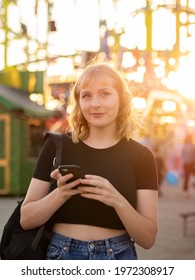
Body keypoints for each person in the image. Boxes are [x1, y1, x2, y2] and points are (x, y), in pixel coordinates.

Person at [20, 62, 159, 260]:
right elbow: (26, 220)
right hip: (62, 256)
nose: (95, 104)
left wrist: (116, 200)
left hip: (118, 256)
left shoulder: (142, 156)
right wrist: (61, 193)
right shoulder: (55, 146)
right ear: (79, 102)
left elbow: (148, 238)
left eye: (105, 93)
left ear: (122, 99)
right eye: (86, 96)